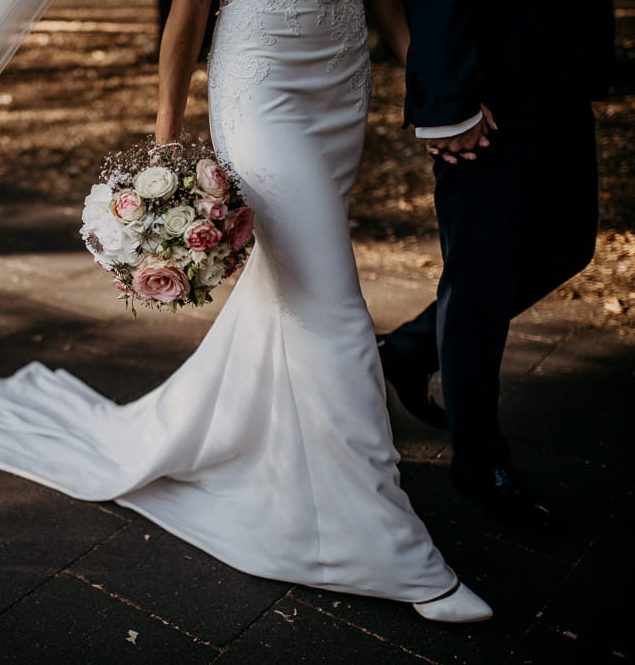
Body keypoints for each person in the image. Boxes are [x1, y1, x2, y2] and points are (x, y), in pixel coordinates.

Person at [0, 0, 492, 623]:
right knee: (332, 307)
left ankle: (283, 454)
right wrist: (164, 146)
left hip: (340, 81)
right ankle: (396, 550)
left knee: (292, 290)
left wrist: (435, 90)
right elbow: (186, 14)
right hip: (262, 84)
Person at [373, 0, 615, 525]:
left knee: (569, 246)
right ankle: (479, 459)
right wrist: (444, 102)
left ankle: (409, 349)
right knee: (480, 278)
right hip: (486, 88)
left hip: (559, 71)